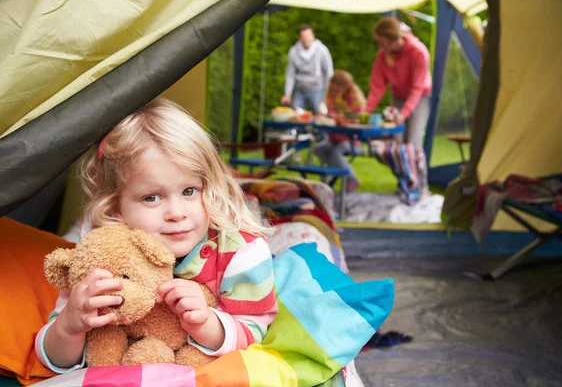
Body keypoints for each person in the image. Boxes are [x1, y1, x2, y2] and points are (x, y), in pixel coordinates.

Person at [35, 99, 278, 372]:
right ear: (116, 207)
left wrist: (208, 324)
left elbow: (255, 330)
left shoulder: (240, 253)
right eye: (151, 197)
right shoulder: (104, 254)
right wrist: (69, 326)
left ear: (208, 185)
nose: (176, 213)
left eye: (189, 191)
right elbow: (54, 359)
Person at [366, 17, 432, 148]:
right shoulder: (382, 55)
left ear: (392, 39)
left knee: (412, 141)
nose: (380, 46)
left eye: (382, 42)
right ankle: (399, 169)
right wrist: (366, 111)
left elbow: (417, 88)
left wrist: (404, 113)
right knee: (395, 141)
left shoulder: (418, 52)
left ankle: (417, 168)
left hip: (420, 98)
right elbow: (377, 87)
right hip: (398, 96)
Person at [314, 70, 366, 193]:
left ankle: (351, 178)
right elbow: (329, 112)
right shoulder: (332, 97)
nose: (335, 91)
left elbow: (354, 117)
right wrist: (324, 117)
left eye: (338, 88)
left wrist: (339, 118)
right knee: (319, 149)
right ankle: (337, 174)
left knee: (335, 152)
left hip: (350, 140)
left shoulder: (354, 100)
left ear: (346, 87)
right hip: (334, 138)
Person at [281, 24, 334, 114]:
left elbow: (329, 72)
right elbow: (290, 74)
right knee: (295, 117)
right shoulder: (293, 51)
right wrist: (287, 94)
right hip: (300, 90)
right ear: (300, 38)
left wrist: (327, 94)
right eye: (303, 36)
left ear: (313, 36)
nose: (306, 39)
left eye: (308, 35)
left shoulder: (322, 50)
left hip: (318, 90)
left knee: (320, 116)